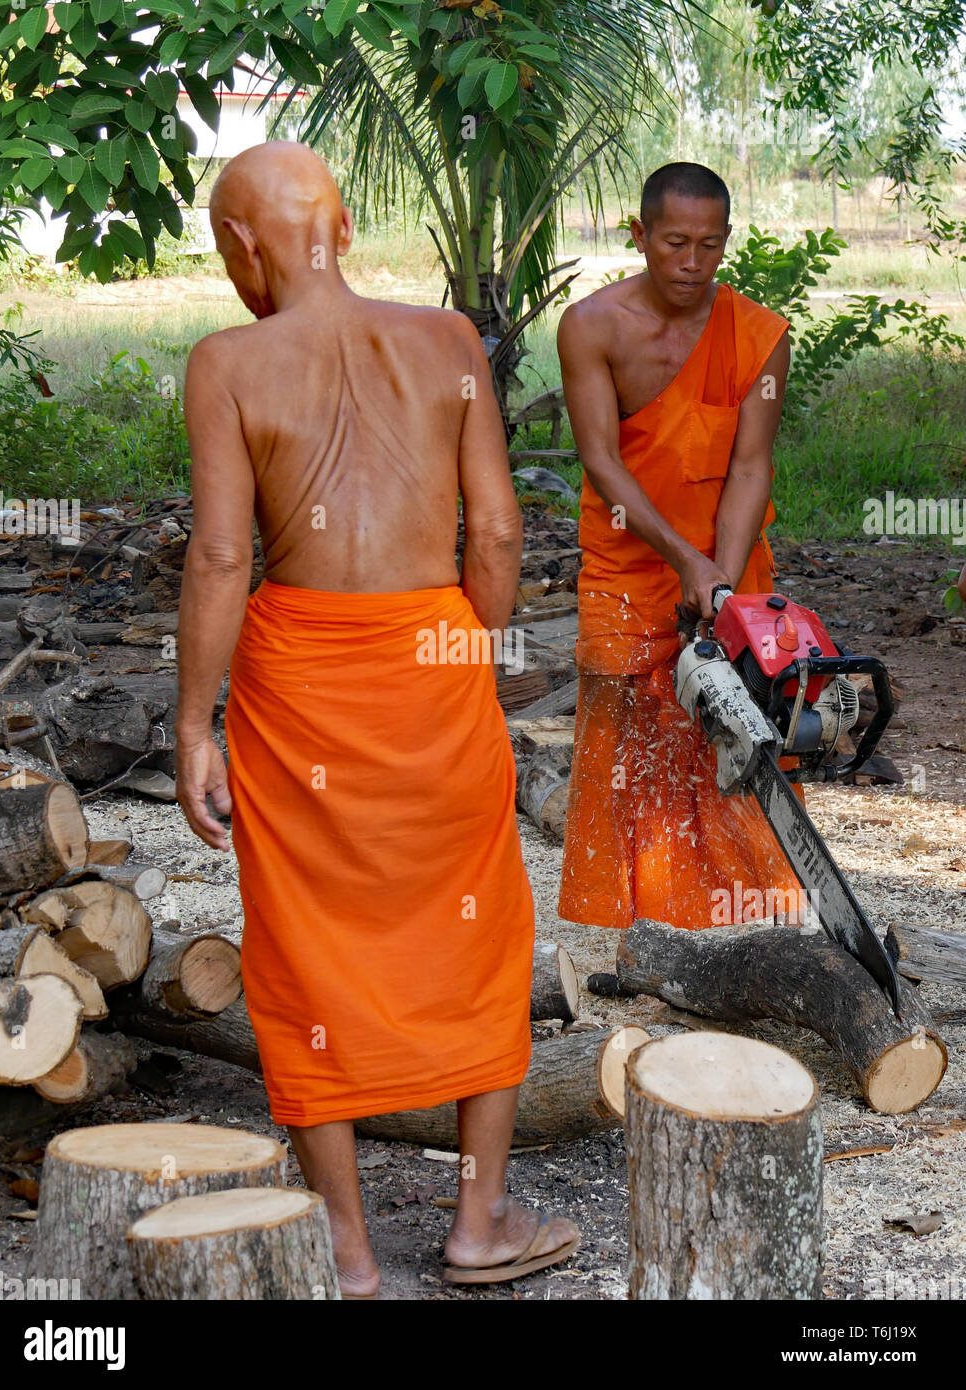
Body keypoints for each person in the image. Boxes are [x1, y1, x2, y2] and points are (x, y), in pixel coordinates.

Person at [174, 142, 579, 1297]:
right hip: (435, 662)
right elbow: (496, 535)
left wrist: (193, 724)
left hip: (298, 681)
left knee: (306, 945)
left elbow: (219, 554)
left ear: (243, 245)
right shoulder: (448, 343)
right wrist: (469, 658)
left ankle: (346, 1251)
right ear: (342, 227)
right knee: (480, 930)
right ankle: (480, 1219)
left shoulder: (226, 363)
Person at [557, 161, 805, 933]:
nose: (692, 264)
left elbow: (751, 466)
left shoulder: (759, 337)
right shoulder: (590, 327)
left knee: (734, 730)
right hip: (630, 567)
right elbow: (601, 459)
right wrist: (684, 561)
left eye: (709, 245)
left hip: (727, 564)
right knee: (626, 739)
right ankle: (625, 927)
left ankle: (748, 926)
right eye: (674, 244)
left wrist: (721, 589)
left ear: (726, 242)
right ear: (639, 236)